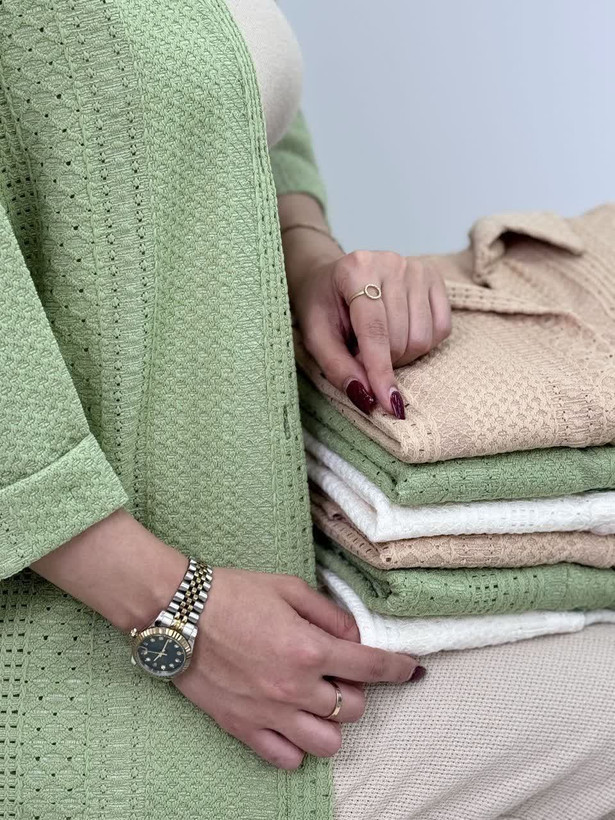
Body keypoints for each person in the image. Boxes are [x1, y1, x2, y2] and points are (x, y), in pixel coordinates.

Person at [1, 2, 614, 819]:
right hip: (87, 636)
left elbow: (242, 97)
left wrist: (307, 254)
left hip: (278, 537)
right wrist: (176, 612)